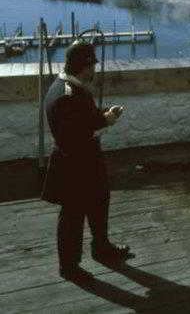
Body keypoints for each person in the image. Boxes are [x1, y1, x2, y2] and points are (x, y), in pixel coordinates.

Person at [41, 41, 131, 283]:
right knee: (73, 215)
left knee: (99, 201)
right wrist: (106, 121)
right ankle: (69, 267)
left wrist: (101, 115)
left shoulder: (65, 86)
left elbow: (81, 118)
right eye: (92, 66)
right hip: (75, 163)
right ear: (84, 66)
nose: (94, 71)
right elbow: (77, 135)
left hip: (85, 160)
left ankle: (101, 247)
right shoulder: (68, 95)